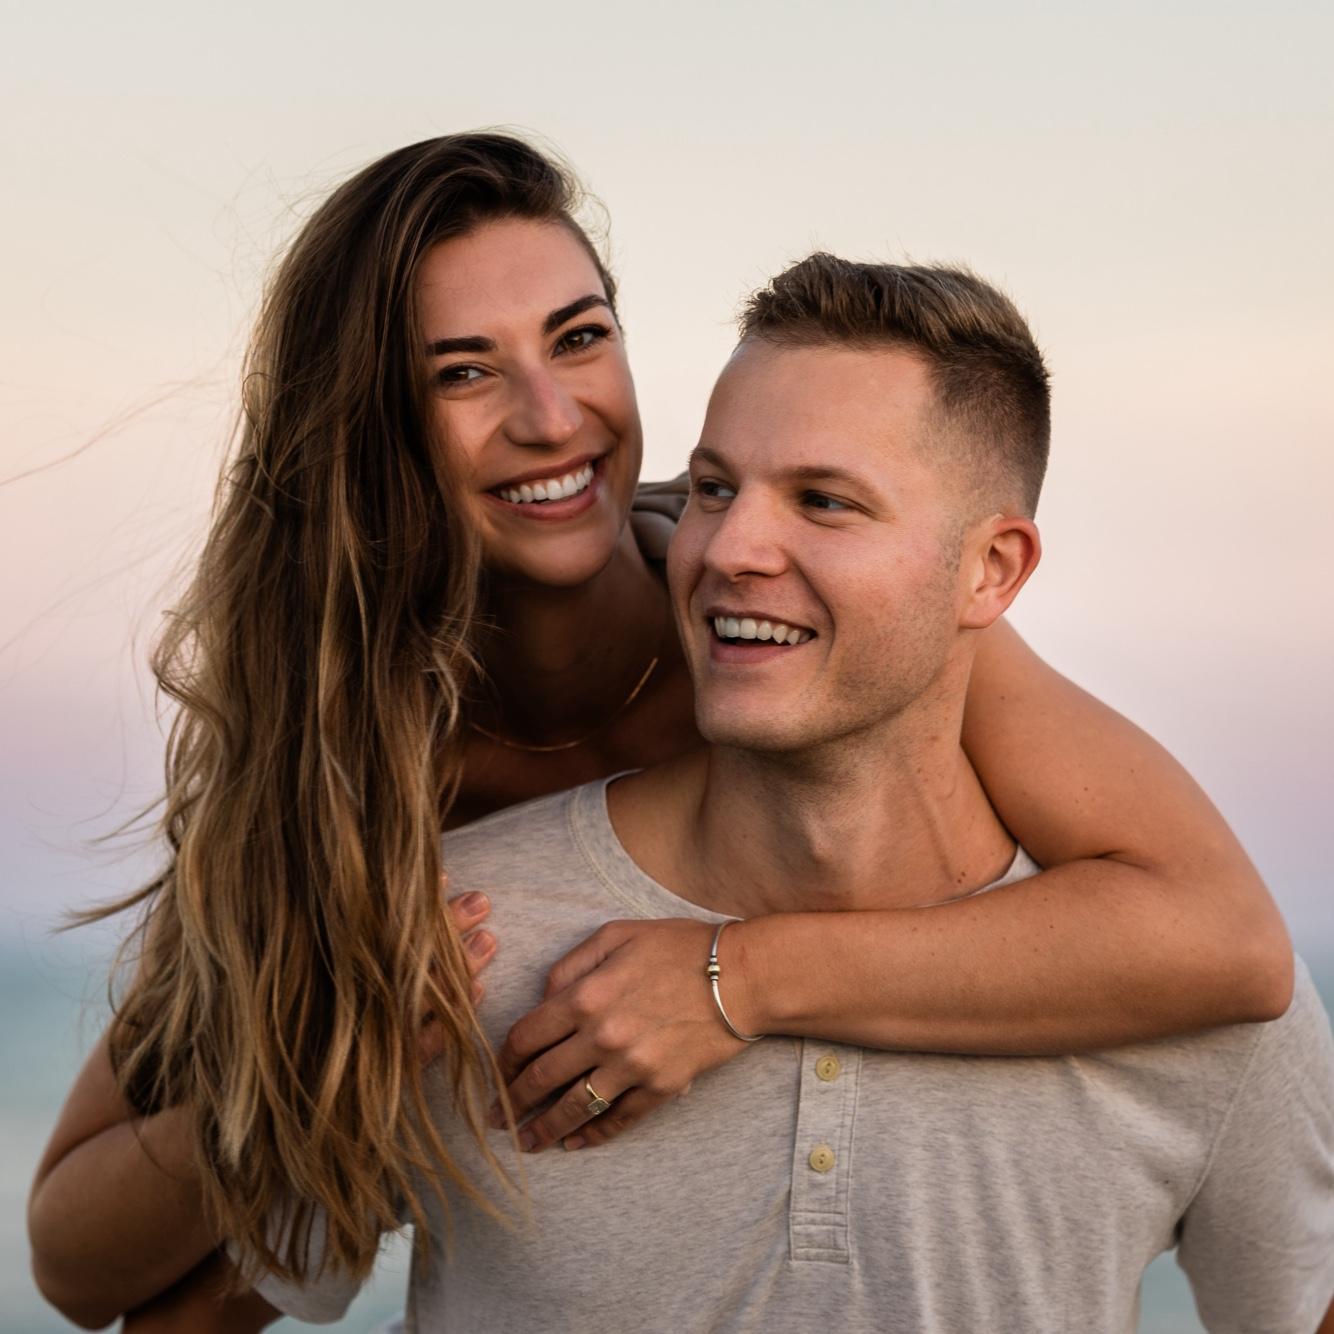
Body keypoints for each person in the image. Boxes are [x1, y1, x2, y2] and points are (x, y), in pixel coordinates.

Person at [26, 134, 1292, 1330]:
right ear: (370, 433)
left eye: (578, 338)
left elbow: (1223, 943)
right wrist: (333, 1076)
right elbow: (90, 1258)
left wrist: (736, 978)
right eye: (460, 370)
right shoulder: (358, 786)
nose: (550, 414)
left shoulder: (785, 614)